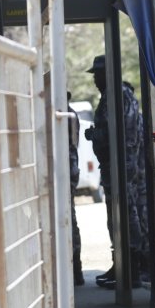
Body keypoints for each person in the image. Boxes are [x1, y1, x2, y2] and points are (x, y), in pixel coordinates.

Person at [85, 55, 150, 289]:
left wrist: (126, 171)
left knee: (129, 216)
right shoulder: (110, 97)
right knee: (117, 217)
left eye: (98, 74)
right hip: (115, 168)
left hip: (125, 169)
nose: (95, 80)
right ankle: (122, 264)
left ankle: (134, 266)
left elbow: (128, 137)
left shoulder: (121, 96)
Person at [67, 92, 84, 285]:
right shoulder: (67, 114)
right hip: (68, 172)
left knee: (68, 220)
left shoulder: (67, 116)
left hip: (66, 173)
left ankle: (75, 268)